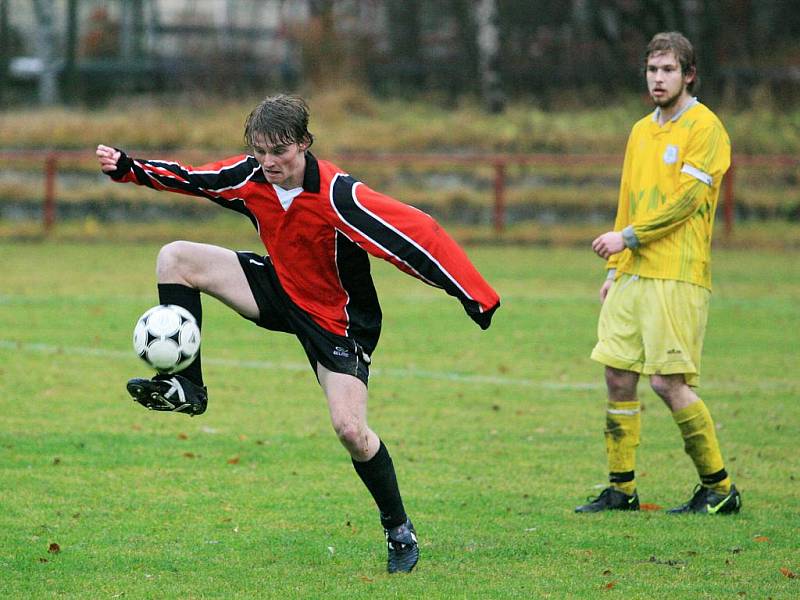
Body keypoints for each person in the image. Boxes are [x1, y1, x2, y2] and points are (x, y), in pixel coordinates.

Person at [95, 94, 501, 573]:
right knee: (176, 257)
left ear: (304, 144)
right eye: (261, 150)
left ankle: (398, 529)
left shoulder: (338, 195)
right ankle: (188, 385)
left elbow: (416, 235)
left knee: (351, 430)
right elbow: (194, 178)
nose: (269, 162)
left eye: (280, 152)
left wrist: (473, 293)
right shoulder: (249, 177)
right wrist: (128, 168)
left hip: (337, 321)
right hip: (279, 289)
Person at [576, 32, 741, 515]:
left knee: (668, 382)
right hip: (634, 273)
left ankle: (720, 487)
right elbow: (627, 201)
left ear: (689, 75)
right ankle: (621, 489)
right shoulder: (639, 131)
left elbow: (687, 203)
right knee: (618, 374)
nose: (658, 79)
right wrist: (615, 266)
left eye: (668, 70)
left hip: (678, 272)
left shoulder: (705, 128)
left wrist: (626, 238)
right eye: (652, 70)